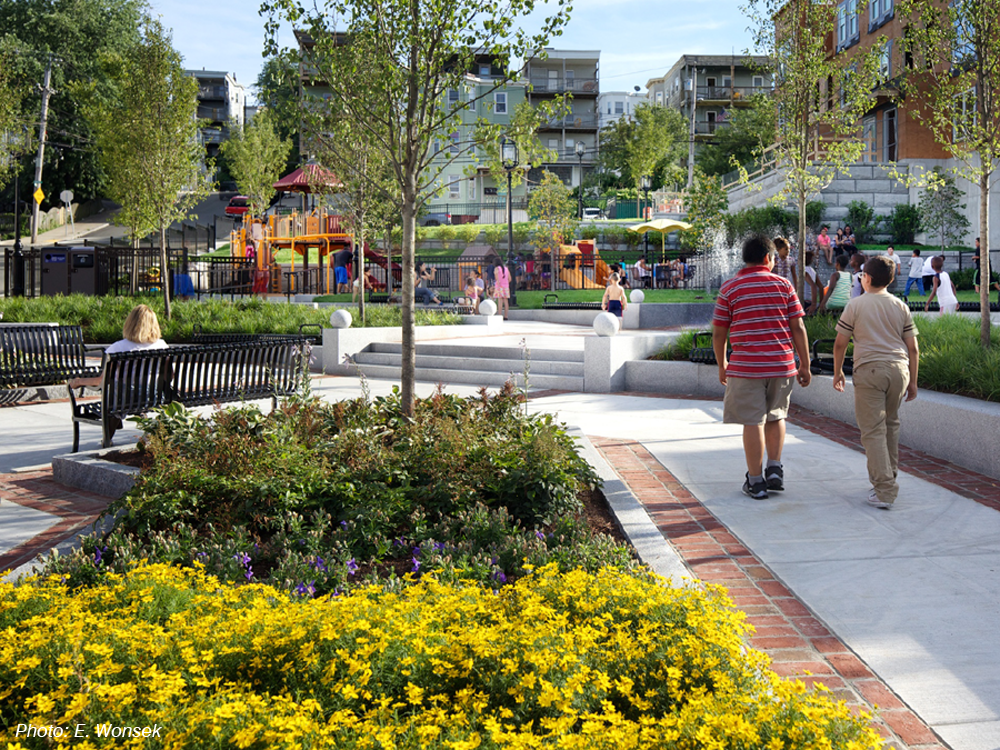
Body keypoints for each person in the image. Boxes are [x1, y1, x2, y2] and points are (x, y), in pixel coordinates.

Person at [712, 235, 811, 500]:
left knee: (752, 421)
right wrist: (805, 364)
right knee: (777, 415)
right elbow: (798, 327)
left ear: (744, 258)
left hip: (745, 367)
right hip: (781, 364)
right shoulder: (784, 286)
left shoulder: (730, 288)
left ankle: (756, 481)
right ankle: (775, 468)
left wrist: (722, 364)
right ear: (768, 258)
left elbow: (719, 333)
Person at [832, 255, 919, 510]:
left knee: (872, 430)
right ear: (891, 280)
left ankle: (884, 491)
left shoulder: (856, 305)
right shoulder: (900, 305)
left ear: (866, 278)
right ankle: (887, 480)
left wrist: (838, 372)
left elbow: (840, 343)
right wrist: (913, 381)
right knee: (890, 425)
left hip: (870, 371)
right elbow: (912, 348)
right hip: (899, 371)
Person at [69, 305, 168, 389]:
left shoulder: (118, 348)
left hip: (123, 401)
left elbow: (101, 381)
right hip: (153, 397)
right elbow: (169, 377)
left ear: (130, 324)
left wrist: (78, 381)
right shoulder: (162, 345)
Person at [802, 250, 821, 314]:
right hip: (810, 300)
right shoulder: (812, 271)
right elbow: (821, 287)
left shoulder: (804, 271)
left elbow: (813, 286)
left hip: (805, 301)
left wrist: (813, 305)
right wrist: (821, 304)